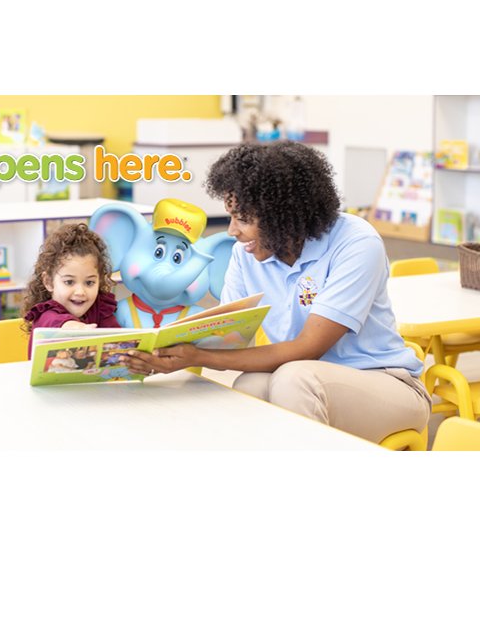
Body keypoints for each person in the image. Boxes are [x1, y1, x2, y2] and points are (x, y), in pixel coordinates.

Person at [123, 141, 431, 444]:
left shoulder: (357, 242)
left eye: (243, 219)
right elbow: (224, 337)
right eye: (231, 216)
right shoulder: (245, 254)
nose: (231, 231)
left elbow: (308, 348)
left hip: (386, 382)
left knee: (293, 379)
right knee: (250, 387)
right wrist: (162, 353)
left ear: (285, 215)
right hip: (304, 378)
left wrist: (199, 356)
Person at [22, 223, 121, 355]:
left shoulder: (100, 308)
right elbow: (52, 321)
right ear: (48, 282)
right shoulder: (45, 314)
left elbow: (116, 339)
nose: (80, 292)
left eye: (89, 282)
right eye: (69, 282)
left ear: (100, 281)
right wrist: (71, 326)